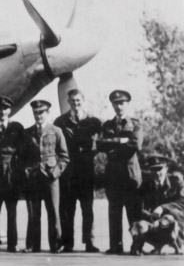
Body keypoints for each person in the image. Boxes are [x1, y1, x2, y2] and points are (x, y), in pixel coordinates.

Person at [53, 89, 102, 253]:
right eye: (73, 101)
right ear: (68, 102)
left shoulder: (94, 122)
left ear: (83, 100)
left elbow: (103, 140)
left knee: (88, 209)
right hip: (68, 172)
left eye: (78, 101)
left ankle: (89, 242)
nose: (75, 104)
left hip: (86, 171)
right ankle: (68, 243)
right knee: (68, 210)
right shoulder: (60, 121)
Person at [20, 100, 69, 253]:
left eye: (41, 112)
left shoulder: (56, 131)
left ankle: (56, 244)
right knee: (34, 213)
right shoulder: (27, 133)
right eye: (36, 112)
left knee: (53, 211)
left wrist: (55, 172)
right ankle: (33, 245)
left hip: (51, 178)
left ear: (47, 113)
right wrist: (26, 171)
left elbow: (64, 157)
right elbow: (22, 156)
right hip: (34, 178)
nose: (39, 115)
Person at [98, 89, 143, 255]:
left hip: (130, 176)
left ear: (127, 104)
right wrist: (121, 141)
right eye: (116, 103)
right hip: (113, 176)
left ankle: (136, 245)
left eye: (122, 103)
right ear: (112, 105)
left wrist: (114, 146)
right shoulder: (107, 125)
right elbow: (101, 145)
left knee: (134, 212)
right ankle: (115, 245)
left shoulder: (136, 124)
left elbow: (136, 145)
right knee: (114, 212)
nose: (119, 106)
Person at [0, 96, 25, 253]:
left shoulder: (17, 127)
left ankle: (12, 244)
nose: (2, 111)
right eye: (0, 108)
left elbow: (23, 150)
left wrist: (18, 170)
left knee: (11, 209)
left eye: (5, 108)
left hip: (11, 171)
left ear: (10, 110)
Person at [131, 153, 184, 255]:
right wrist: (152, 218)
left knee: (171, 216)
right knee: (140, 224)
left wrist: (162, 208)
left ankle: (179, 244)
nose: (157, 173)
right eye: (153, 169)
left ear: (166, 168)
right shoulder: (145, 184)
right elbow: (139, 208)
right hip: (153, 220)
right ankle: (149, 246)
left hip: (173, 219)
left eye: (159, 169)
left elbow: (183, 202)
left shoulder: (176, 180)